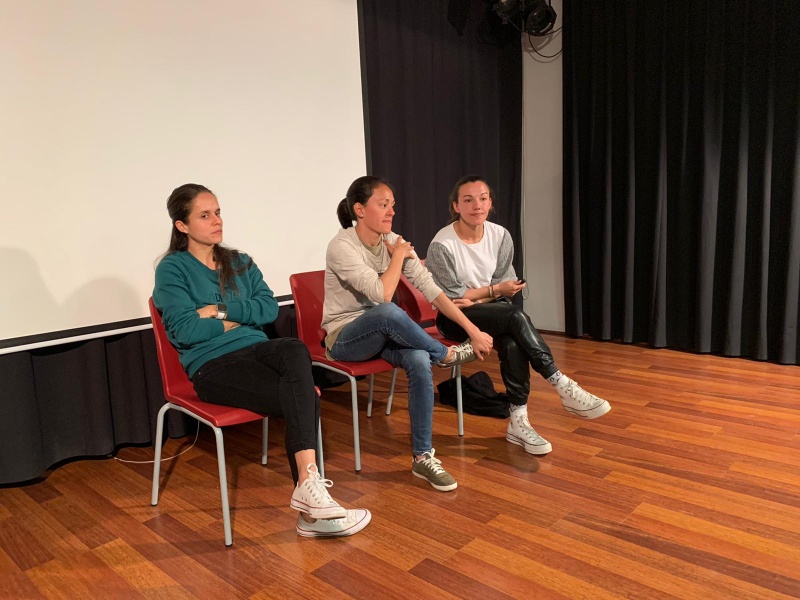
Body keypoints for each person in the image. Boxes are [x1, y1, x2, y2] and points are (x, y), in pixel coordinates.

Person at [153, 183, 370, 538]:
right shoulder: (172, 270)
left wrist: (219, 311)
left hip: (257, 350)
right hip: (212, 366)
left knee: (294, 349)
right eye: (205, 215)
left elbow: (268, 309)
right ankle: (311, 504)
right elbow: (186, 331)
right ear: (182, 226)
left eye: (218, 212)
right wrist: (239, 318)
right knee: (303, 395)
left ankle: (308, 491)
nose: (216, 221)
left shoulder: (237, 261)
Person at [322, 176, 494, 492]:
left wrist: (472, 329)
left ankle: (422, 456)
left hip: (383, 334)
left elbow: (432, 289)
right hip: (344, 339)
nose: (391, 212)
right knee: (388, 312)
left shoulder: (393, 240)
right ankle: (444, 355)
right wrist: (398, 256)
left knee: (417, 358)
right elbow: (382, 296)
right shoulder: (342, 246)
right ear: (359, 209)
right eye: (383, 205)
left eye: (393, 205)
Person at [426, 175, 611, 456]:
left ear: (490, 203)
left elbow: (506, 289)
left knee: (512, 342)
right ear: (456, 206)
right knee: (513, 317)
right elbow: (452, 299)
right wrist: (494, 290)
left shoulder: (500, 235)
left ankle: (518, 421)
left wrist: (485, 293)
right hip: (453, 319)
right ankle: (560, 382)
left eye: (483, 198)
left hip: (493, 311)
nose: (477, 205)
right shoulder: (443, 244)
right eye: (468, 200)